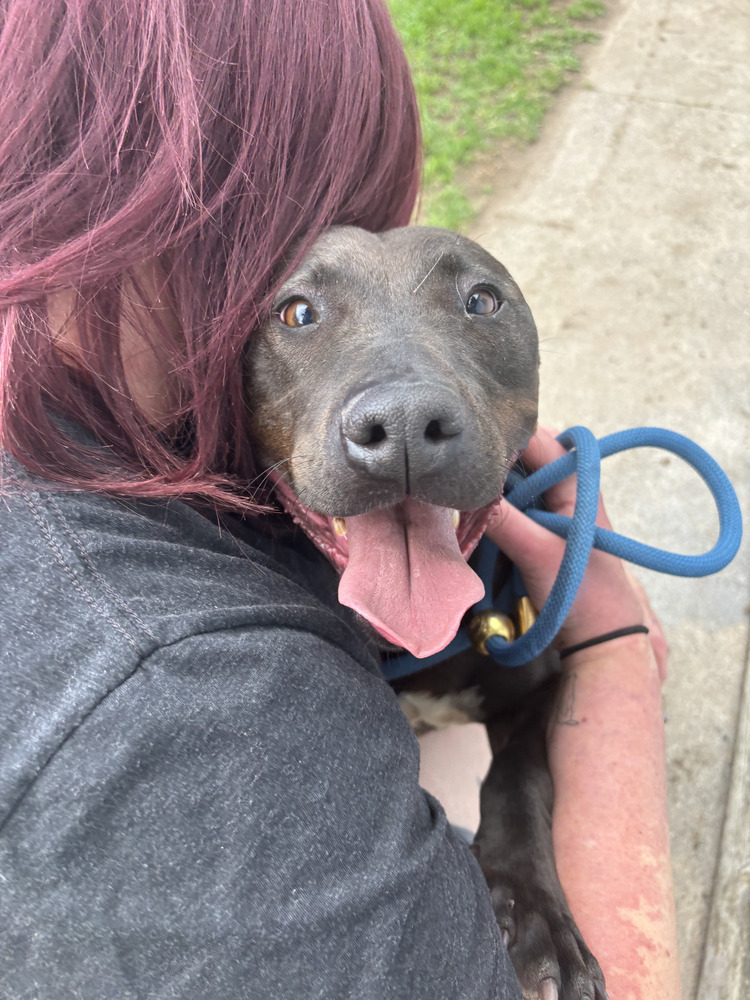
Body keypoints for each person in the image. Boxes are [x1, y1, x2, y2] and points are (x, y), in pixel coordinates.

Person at [0, 2, 678, 998]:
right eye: (298, 308)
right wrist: (617, 646)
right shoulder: (178, 693)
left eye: (475, 301)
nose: (405, 411)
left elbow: (522, 710)